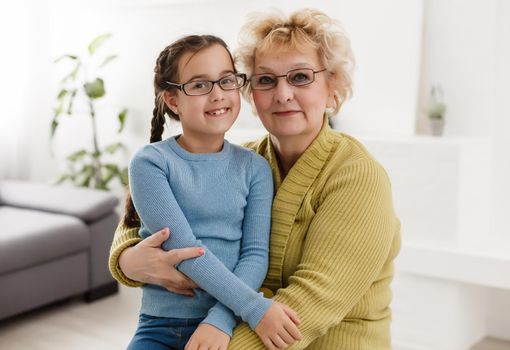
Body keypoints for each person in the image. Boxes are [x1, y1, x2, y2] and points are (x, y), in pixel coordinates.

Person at [110, 9, 401, 350]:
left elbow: (308, 309)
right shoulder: (244, 159)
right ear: (250, 91)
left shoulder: (357, 177)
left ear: (332, 83)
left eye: (301, 77)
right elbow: (141, 219)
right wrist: (128, 260)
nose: (282, 94)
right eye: (265, 80)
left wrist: (218, 330)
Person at [121, 34, 302, 350]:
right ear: (173, 100)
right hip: (160, 328)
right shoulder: (150, 163)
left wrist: (220, 320)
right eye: (200, 85)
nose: (218, 94)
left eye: (226, 81)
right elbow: (185, 250)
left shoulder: (255, 168)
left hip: (228, 322)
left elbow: (256, 255)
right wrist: (256, 308)